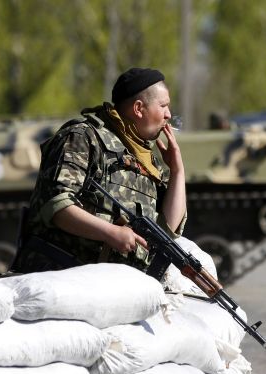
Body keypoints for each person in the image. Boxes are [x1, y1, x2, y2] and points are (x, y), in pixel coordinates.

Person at [12, 67, 187, 275]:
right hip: (64, 275)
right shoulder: (83, 138)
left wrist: (177, 170)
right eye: (163, 106)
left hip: (114, 285)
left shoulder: (147, 161)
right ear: (139, 108)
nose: (168, 114)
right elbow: (57, 207)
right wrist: (111, 233)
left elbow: (167, 230)